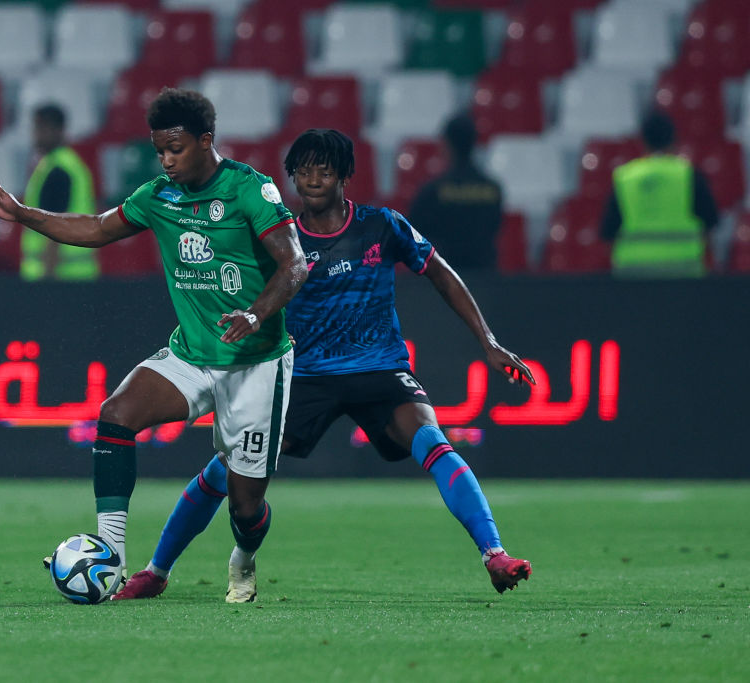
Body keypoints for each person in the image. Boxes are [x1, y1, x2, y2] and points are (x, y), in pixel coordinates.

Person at [114, 129, 533, 603]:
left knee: (434, 441)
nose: (313, 179)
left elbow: (440, 271)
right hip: (303, 377)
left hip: (379, 371)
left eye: (324, 169)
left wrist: (488, 340)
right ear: (292, 177)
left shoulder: (381, 226)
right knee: (227, 469)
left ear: (344, 176)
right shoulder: (277, 237)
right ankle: (157, 570)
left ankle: (494, 553)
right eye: (303, 170)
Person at [0, 88, 308, 602]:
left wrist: (254, 312)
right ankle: (111, 556)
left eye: (176, 148)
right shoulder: (158, 196)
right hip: (193, 354)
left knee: (245, 508)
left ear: (205, 141)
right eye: (160, 151)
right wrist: (22, 214)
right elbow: (95, 228)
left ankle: (243, 558)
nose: (167, 160)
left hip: (256, 362)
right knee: (115, 414)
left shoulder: (249, 190)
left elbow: (295, 266)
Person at [600, 109, 718, 277]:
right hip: (683, 270)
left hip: (634, 272)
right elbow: (710, 223)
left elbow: (608, 232)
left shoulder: (624, 177)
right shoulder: (689, 175)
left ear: (643, 141)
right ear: (673, 140)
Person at [407, 112, 502, 272]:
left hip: (446, 281)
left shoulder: (433, 191)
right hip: (485, 280)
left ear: (447, 145)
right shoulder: (493, 190)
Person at [20, 103, 99, 281]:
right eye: (36, 127)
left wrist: (47, 281)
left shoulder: (58, 170)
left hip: (59, 278)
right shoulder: (70, 164)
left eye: (43, 127)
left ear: (59, 130)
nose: (37, 134)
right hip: (78, 277)